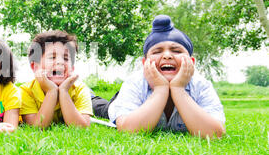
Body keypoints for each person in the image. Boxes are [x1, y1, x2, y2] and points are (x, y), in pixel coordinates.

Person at [92, 15, 225, 138]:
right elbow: (129, 130)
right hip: (120, 103)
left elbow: (215, 134)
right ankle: (89, 95)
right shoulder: (135, 82)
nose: (167, 55)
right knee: (98, 106)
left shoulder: (201, 85)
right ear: (145, 64)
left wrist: (178, 89)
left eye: (176, 50)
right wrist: (160, 89)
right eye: (157, 51)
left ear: (191, 62)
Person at [20, 30, 93, 128]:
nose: (60, 62)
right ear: (35, 67)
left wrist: (64, 91)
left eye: (66, 58)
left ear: (72, 68)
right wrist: (51, 91)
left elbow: (82, 128)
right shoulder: (26, 92)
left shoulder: (80, 89)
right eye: (52, 57)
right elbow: (37, 128)